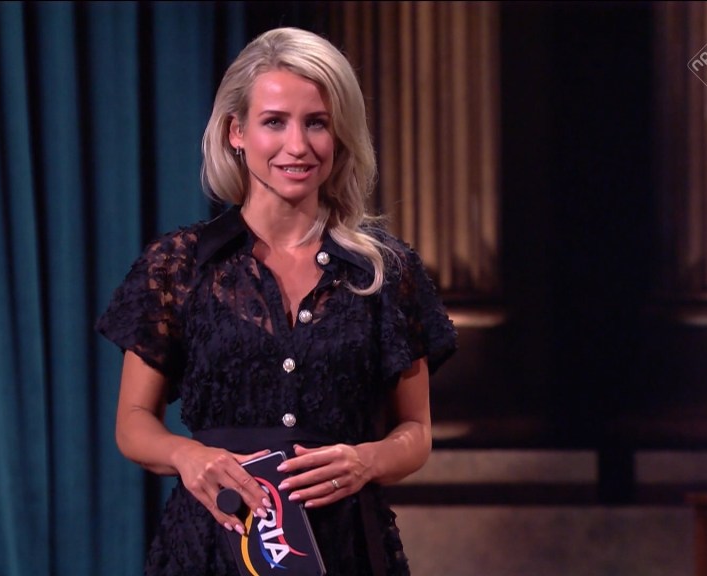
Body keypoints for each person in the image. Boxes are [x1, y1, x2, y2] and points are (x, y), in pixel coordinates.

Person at [95, 26, 457, 576]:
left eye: (317, 123)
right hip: (213, 547)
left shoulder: (386, 271)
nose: (298, 145)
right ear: (236, 131)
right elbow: (132, 422)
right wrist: (187, 456)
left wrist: (366, 460)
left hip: (347, 549)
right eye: (274, 122)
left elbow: (417, 432)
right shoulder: (180, 265)